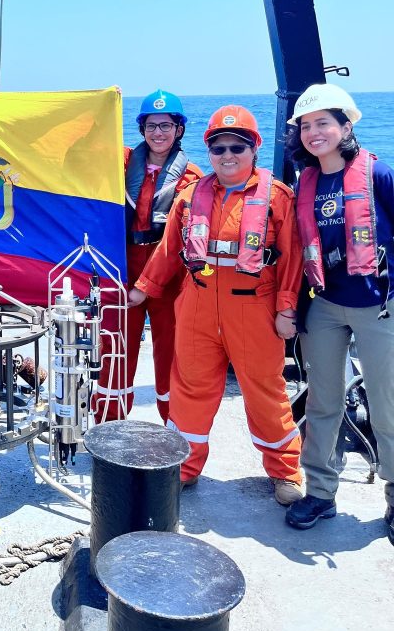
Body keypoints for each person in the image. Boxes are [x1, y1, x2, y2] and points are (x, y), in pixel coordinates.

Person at [129, 105, 304, 506]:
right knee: (188, 390)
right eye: (218, 148)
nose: (227, 155)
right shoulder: (190, 196)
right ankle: (184, 469)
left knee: (265, 391)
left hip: (254, 310)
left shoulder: (278, 199)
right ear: (209, 152)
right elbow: (170, 250)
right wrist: (141, 289)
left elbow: (292, 258)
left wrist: (286, 309)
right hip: (197, 306)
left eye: (237, 147)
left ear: (254, 148)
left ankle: (285, 472)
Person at [283, 84, 394, 543]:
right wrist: (290, 308)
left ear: (346, 127)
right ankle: (321, 492)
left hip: (378, 305)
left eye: (323, 123)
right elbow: (292, 251)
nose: (314, 133)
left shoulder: (378, 174)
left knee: (387, 404)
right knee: (323, 401)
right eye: (306, 126)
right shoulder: (302, 184)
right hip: (324, 305)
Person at [92, 90, 202, 423]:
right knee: (114, 354)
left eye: (166, 125)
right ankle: (108, 429)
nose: (158, 132)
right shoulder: (122, 163)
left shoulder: (192, 178)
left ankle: (174, 429)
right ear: (141, 129)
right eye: (151, 125)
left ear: (179, 129)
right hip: (123, 271)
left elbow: (181, 241)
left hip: (168, 277)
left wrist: (149, 283)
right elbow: (89, 153)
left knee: (172, 356)